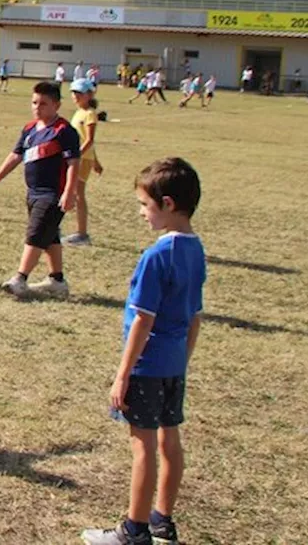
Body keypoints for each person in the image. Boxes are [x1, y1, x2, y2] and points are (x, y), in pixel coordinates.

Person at [80, 158, 205, 545]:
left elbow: (142, 321)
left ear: (167, 204)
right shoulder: (196, 248)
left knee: (143, 447)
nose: (140, 213)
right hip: (172, 365)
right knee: (170, 441)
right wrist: (181, 363)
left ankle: (133, 531)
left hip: (147, 366)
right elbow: (195, 316)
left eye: (144, 205)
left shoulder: (157, 257)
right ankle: (161, 520)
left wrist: (123, 373)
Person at [0, 81, 81, 299]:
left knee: (36, 234)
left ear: (56, 105)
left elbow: (74, 164)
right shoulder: (29, 129)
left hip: (52, 194)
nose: (37, 107)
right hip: (33, 192)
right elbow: (16, 155)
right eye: (34, 103)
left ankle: (20, 278)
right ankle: (57, 280)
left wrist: (69, 192)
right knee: (50, 235)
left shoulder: (64, 131)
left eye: (44, 104)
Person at [64, 79, 102, 247]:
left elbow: (89, 140)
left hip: (81, 159)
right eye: (74, 93)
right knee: (69, 191)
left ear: (89, 94)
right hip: (80, 157)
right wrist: (96, 161)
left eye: (79, 93)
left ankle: (82, 233)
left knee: (78, 194)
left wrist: (76, 156)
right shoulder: (79, 112)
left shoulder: (89, 114)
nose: (75, 96)